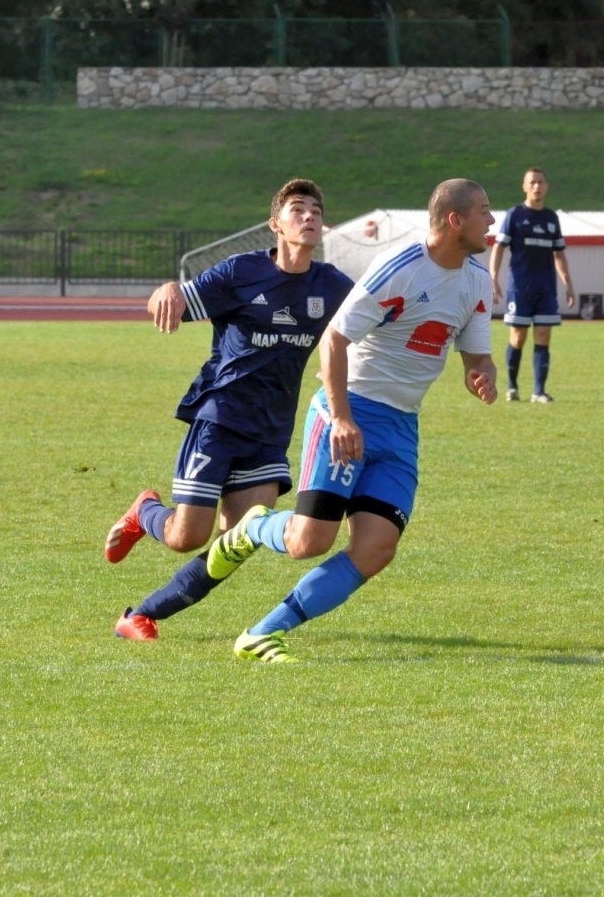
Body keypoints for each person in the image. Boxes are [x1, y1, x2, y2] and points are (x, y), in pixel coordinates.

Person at [198, 178, 498, 663]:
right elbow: (333, 340)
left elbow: (476, 357)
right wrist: (341, 418)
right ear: (454, 220)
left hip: (402, 428)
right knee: (307, 542)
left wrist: (481, 375)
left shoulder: (477, 281)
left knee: (377, 548)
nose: (492, 220)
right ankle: (254, 527)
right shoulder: (399, 269)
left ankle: (262, 634)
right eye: (485, 210)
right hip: (350, 411)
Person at [104, 179, 354, 642]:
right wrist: (165, 289)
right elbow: (178, 298)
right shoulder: (242, 272)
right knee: (186, 537)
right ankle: (146, 512)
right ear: (275, 224)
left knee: (236, 542)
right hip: (219, 419)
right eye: (297, 208)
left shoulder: (334, 286)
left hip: (270, 432)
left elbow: (378, 318)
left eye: (316, 209)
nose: (309, 215)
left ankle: (141, 615)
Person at [488, 167, 575, 403]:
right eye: (532, 182)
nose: (537, 186)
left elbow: (559, 253)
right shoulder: (515, 215)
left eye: (541, 182)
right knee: (518, 337)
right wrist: (493, 277)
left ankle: (539, 391)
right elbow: (499, 247)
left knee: (544, 335)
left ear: (546, 187)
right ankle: (512, 386)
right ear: (524, 186)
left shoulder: (551, 218)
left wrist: (568, 283)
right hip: (520, 287)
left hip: (546, 288)